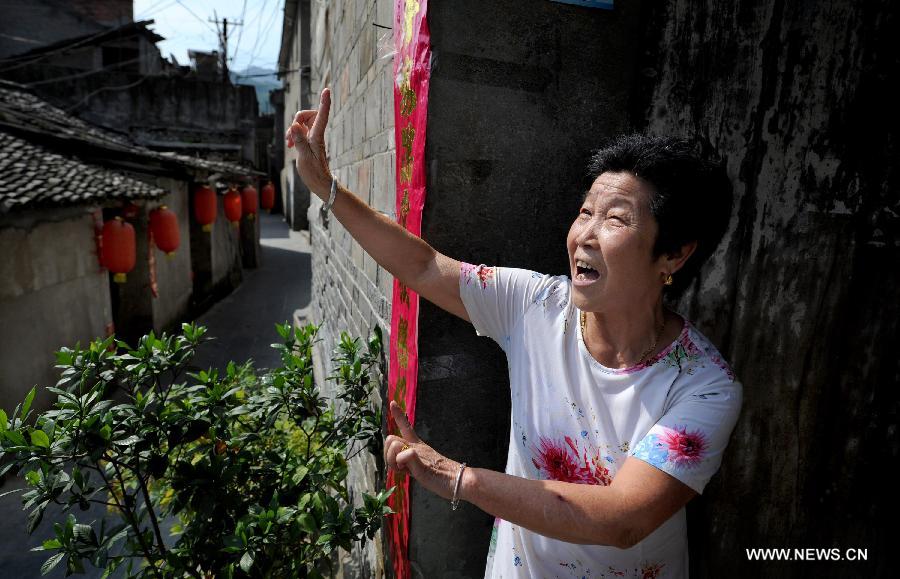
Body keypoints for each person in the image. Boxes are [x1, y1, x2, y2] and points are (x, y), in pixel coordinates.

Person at [287, 88, 743, 578]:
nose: (584, 234)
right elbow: (422, 266)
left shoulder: (704, 387)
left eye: (615, 219)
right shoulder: (536, 306)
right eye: (585, 212)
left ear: (674, 255)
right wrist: (327, 188)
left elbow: (623, 520)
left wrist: (456, 477)